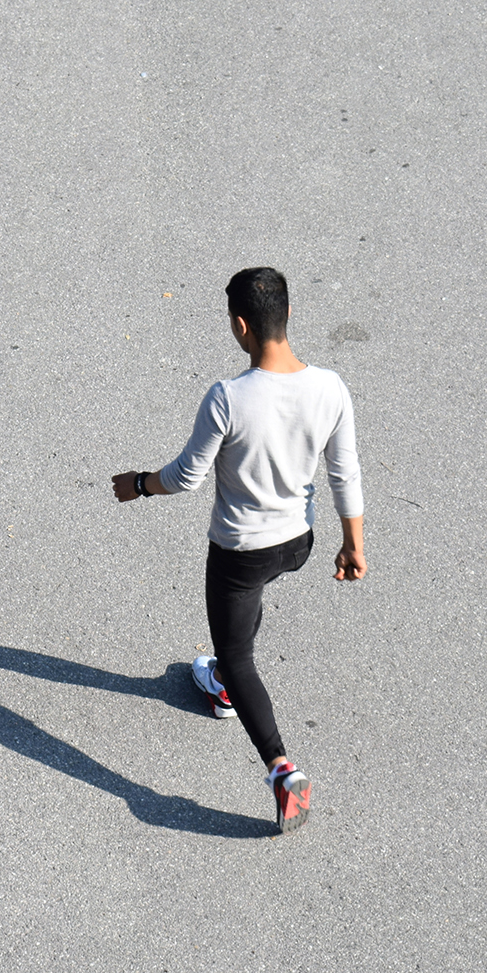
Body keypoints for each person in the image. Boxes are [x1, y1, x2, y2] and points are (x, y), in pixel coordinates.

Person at [112, 267, 365, 834]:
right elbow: (344, 473)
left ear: (240, 325)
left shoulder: (229, 397)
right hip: (298, 544)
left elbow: (186, 477)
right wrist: (353, 546)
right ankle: (225, 684)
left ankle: (281, 769)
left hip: (241, 553)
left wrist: (139, 483)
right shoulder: (331, 388)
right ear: (289, 315)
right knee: (243, 620)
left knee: (236, 651)